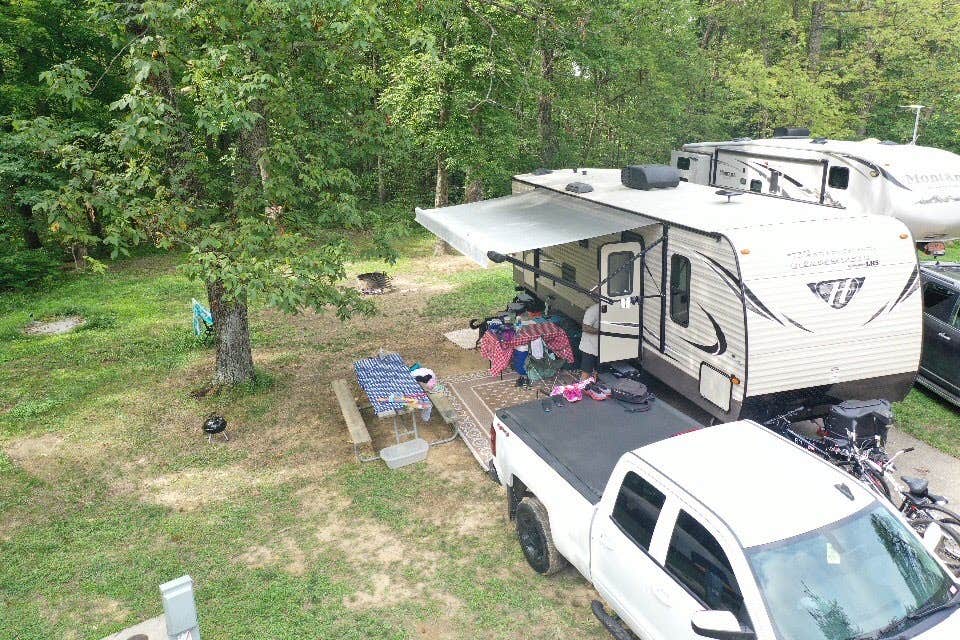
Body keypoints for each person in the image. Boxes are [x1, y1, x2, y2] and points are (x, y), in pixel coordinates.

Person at [579, 302, 600, 381]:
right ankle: (582, 388)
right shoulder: (594, 310)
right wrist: (601, 331)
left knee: (598, 371)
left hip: (601, 347)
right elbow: (585, 327)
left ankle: (594, 386)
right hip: (589, 347)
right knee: (586, 372)